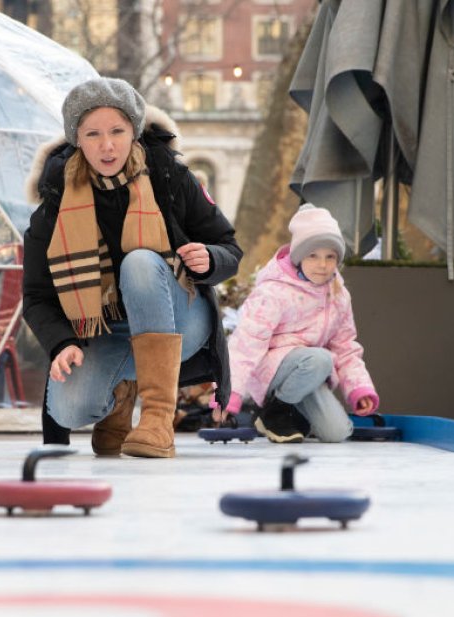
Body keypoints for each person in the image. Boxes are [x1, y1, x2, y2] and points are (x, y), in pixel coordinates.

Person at [23, 77, 242, 458]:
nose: (107, 145)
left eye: (117, 131)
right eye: (92, 134)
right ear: (77, 138)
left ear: (134, 131)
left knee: (140, 262)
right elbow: (37, 295)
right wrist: (62, 343)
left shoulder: (169, 177)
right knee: (68, 408)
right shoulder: (56, 201)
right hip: (109, 330)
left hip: (179, 321)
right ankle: (122, 394)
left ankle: (158, 418)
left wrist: (210, 259)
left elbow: (229, 247)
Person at [213, 205, 378, 443]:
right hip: (271, 372)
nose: (322, 264)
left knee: (337, 433)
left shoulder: (338, 295)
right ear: (299, 257)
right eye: (313, 255)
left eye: (330, 256)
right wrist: (229, 394)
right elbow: (245, 344)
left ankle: (285, 412)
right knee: (320, 359)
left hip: (308, 373)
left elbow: (345, 346)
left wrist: (359, 388)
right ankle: (275, 412)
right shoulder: (274, 292)